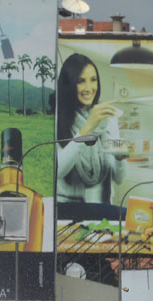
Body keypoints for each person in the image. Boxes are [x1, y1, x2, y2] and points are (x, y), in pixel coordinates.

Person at [55, 53, 126, 208]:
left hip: (103, 207)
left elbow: (119, 179)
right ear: (69, 84)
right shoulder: (56, 118)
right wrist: (88, 127)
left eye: (93, 80)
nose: (89, 88)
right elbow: (57, 171)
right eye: (81, 81)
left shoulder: (110, 117)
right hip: (67, 209)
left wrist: (120, 159)